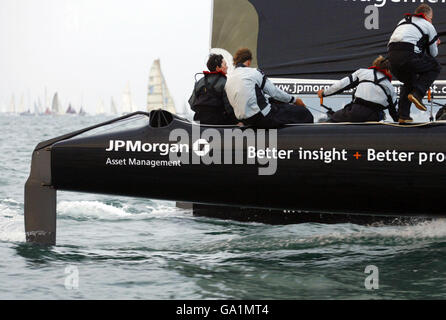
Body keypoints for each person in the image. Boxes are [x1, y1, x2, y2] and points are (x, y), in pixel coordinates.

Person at [224, 48, 313, 128]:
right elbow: (274, 92)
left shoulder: (228, 80)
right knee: (304, 113)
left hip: (245, 120)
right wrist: (294, 100)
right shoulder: (254, 72)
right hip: (263, 117)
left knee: (273, 102)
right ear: (248, 62)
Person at [387, 4, 441, 123]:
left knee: (409, 80)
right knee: (435, 66)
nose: (431, 20)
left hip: (391, 60)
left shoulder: (402, 21)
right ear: (428, 16)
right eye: (431, 18)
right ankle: (418, 93)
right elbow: (433, 53)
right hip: (408, 56)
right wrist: (435, 43)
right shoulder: (428, 25)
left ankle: (403, 116)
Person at [317, 56, 399, 123]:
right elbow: (394, 112)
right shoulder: (390, 87)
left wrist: (324, 93)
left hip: (355, 112)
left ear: (375, 65)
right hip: (374, 117)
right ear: (388, 70)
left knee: (332, 119)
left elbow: (341, 85)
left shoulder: (362, 72)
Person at [189, 54, 238, 125]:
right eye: (225, 64)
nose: (227, 67)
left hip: (199, 121)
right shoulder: (225, 82)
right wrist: (236, 122)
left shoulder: (200, 82)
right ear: (218, 68)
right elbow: (229, 108)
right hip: (218, 123)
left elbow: (192, 104)